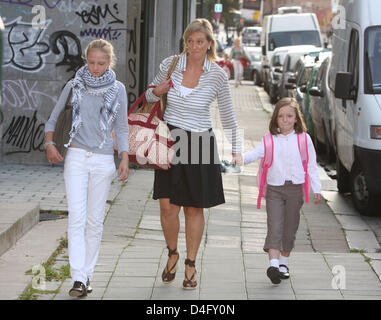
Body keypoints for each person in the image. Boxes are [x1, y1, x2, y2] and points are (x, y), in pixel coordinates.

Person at [145, 18, 242, 290]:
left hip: (199, 142)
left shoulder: (218, 75)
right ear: (185, 42)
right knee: (167, 206)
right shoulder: (170, 65)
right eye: (190, 41)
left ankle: (190, 263)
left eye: (200, 41)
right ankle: (172, 253)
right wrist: (157, 91)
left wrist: (236, 147)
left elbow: (227, 114)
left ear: (209, 43)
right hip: (170, 138)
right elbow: (149, 96)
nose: (194, 46)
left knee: (193, 207)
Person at [44, 39, 129, 297]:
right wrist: (49, 143)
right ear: (86, 60)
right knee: (77, 218)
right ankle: (78, 279)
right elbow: (53, 117)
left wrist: (124, 157)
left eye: (101, 63)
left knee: (94, 222)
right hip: (77, 157)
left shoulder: (118, 89)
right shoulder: (74, 85)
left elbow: (122, 127)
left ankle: (87, 274)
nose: (95, 67)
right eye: (91, 62)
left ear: (110, 62)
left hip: (104, 161)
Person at [237, 97, 322, 285]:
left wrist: (317, 188)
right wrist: (240, 158)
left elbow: (311, 165)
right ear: (275, 118)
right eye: (281, 116)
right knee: (275, 225)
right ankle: (273, 266)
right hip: (274, 188)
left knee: (290, 228)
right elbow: (256, 153)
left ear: (296, 119)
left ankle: (284, 263)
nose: (285, 120)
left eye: (289, 116)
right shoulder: (269, 140)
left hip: (296, 189)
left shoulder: (304, 139)